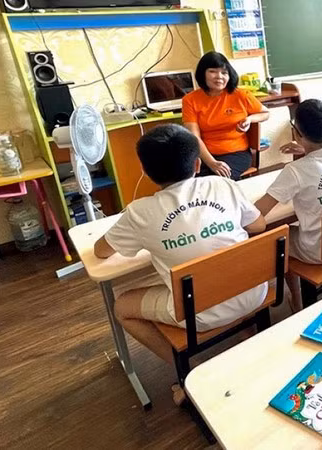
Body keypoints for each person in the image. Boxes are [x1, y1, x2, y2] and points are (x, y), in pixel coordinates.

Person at [93, 124, 269, 402]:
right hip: (255, 292)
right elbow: (258, 226)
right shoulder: (222, 184)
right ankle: (243, 330)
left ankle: (189, 372)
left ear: (145, 171)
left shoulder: (140, 212)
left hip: (202, 314)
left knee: (122, 306)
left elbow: (101, 252)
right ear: (198, 164)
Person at [255, 99, 322, 312]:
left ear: (296, 133)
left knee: (278, 238)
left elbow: (258, 212)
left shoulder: (295, 171)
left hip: (320, 252)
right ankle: (297, 296)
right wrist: (306, 149)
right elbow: (320, 163)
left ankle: (296, 297)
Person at [182, 51, 269, 180]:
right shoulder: (190, 100)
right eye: (212, 71)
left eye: (224, 72)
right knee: (189, 182)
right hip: (204, 155)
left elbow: (265, 113)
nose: (219, 76)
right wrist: (211, 162)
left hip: (236, 153)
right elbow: (194, 137)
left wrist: (249, 119)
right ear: (202, 74)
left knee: (216, 180)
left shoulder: (241, 95)